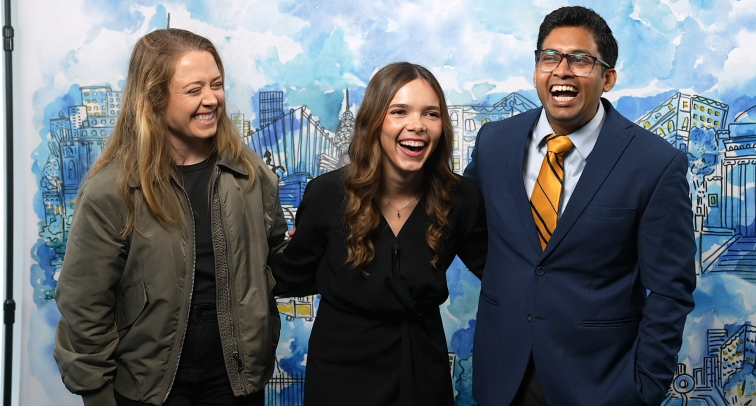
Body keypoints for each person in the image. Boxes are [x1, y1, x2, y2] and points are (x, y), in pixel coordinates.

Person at [465, 6, 696, 406]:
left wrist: (642, 388)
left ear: (608, 78)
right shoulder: (493, 143)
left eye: (581, 60)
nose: (562, 70)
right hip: (503, 377)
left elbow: (670, 289)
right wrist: (516, 281)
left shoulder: (655, 164)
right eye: (549, 57)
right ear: (537, 69)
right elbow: (470, 231)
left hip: (601, 386)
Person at [53, 29, 287, 406]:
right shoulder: (110, 190)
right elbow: (84, 305)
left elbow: (278, 262)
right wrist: (97, 394)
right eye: (194, 90)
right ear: (154, 98)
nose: (212, 99)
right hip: (147, 386)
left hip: (237, 381)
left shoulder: (250, 173)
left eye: (217, 85)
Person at [269, 62, 486, 406]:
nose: (417, 125)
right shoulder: (327, 194)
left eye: (431, 114)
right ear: (374, 122)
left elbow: (503, 270)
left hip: (421, 371)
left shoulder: (461, 198)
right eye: (399, 111)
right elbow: (289, 274)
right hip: (341, 375)